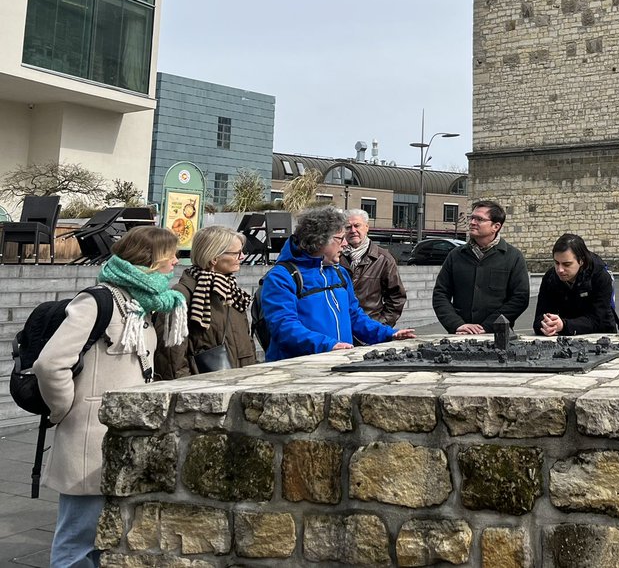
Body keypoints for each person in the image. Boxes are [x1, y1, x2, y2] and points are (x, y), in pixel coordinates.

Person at [33, 225, 187, 568]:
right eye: (171, 254)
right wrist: (64, 409)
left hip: (125, 439)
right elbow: (50, 364)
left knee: (108, 540)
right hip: (90, 440)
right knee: (77, 541)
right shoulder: (97, 300)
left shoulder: (142, 303)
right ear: (149, 258)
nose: (177, 261)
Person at [259, 205, 413, 361]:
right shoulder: (281, 277)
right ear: (320, 240)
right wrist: (328, 345)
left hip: (338, 361)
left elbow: (354, 317)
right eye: (340, 238)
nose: (345, 243)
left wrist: (389, 333)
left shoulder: (339, 272)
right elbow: (283, 327)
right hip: (298, 367)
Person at [154, 225, 257, 379]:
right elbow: (171, 360)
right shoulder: (181, 296)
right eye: (236, 253)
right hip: (204, 388)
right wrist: (193, 388)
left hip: (242, 383)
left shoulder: (232, 292)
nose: (242, 257)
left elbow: (247, 344)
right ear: (214, 258)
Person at [432, 199, 529, 334]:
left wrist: (488, 326)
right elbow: (440, 294)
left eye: (479, 219)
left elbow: (520, 298)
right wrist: (456, 324)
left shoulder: (513, 257)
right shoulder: (456, 255)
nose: (472, 222)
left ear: (496, 226)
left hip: (498, 335)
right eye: (471, 218)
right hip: (460, 334)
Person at [534, 233, 619, 337]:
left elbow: (598, 319)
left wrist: (564, 325)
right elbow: (539, 318)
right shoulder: (550, 278)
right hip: (565, 335)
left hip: (601, 335)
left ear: (581, 261)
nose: (560, 270)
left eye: (567, 264)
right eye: (557, 263)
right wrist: (546, 326)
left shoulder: (600, 276)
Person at [340, 208, 406, 326]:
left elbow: (396, 297)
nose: (353, 230)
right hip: (341, 327)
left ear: (367, 227)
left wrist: (381, 326)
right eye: (348, 227)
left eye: (357, 226)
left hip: (369, 328)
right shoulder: (335, 257)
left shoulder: (383, 259)